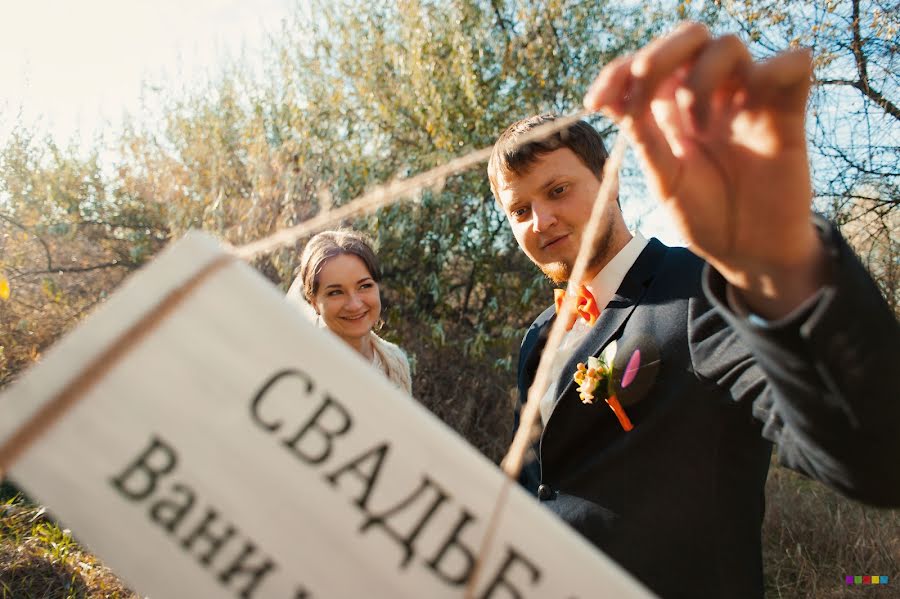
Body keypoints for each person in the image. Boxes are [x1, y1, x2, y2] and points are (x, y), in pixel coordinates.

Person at [489, 22, 900, 599]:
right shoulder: (538, 337)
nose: (542, 222)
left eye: (558, 191)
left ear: (610, 183)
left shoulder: (700, 290)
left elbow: (876, 457)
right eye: (519, 210)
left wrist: (787, 267)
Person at [289, 229, 412, 394]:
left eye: (364, 286)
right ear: (314, 303)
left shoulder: (396, 362)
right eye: (335, 292)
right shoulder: (300, 368)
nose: (354, 305)